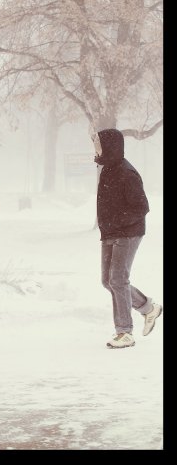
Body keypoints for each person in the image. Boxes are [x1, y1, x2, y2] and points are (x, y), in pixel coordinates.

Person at [93, 128, 162, 348]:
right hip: (110, 233)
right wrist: (107, 226)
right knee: (108, 281)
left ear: (110, 145)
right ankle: (148, 308)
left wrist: (117, 222)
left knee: (118, 280)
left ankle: (124, 332)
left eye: (99, 143)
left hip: (129, 232)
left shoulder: (127, 172)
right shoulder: (107, 169)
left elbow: (142, 207)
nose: (96, 147)